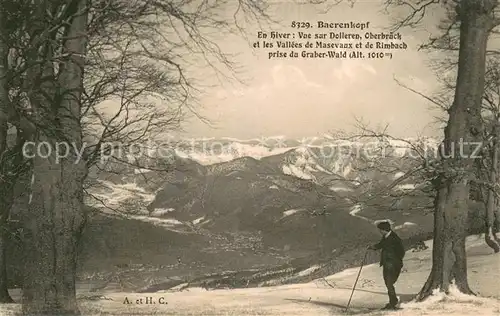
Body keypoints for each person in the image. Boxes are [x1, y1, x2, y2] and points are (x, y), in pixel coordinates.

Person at [368, 221, 405, 310]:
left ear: (384, 230)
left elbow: (401, 252)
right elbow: (382, 245)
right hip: (387, 264)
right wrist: (373, 247)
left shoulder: (394, 238)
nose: (379, 231)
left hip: (392, 264)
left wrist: (394, 261)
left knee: (389, 283)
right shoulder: (386, 236)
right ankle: (393, 301)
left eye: (380, 230)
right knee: (388, 283)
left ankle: (393, 302)